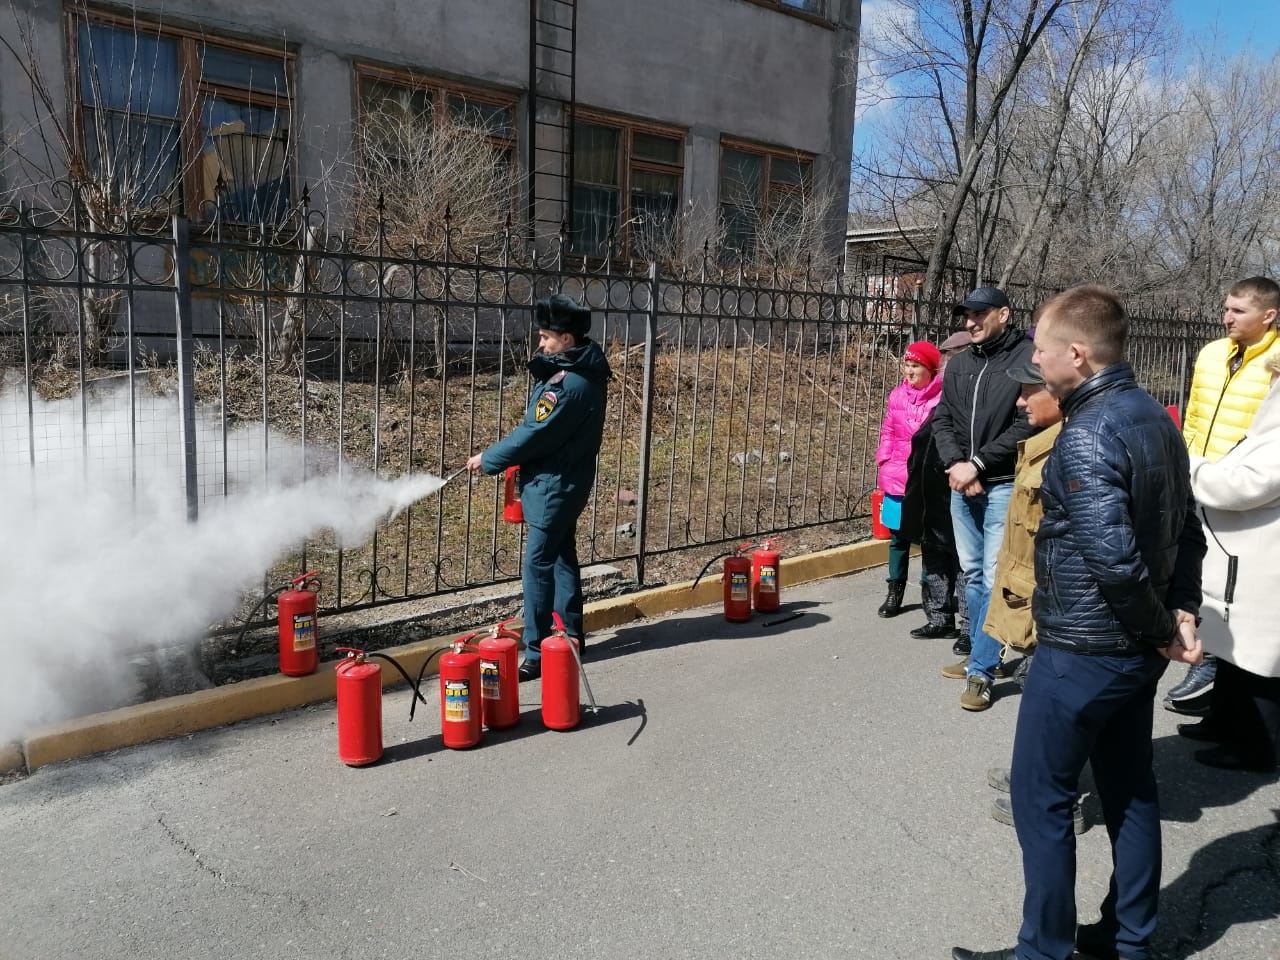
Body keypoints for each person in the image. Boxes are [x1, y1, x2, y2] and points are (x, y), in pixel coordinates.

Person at [953, 286, 1206, 960]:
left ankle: (1045, 951)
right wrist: (1181, 611)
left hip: (1084, 653)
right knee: (1128, 788)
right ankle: (1130, 942)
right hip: (1131, 652)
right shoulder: (1154, 417)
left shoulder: (1087, 435)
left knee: (1041, 801)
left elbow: (1115, 562)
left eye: (1040, 348)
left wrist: (1163, 625)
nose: (1031, 359)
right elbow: (1190, 531)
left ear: (1078, 354)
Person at [466, 294, 612, 681]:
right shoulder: (581, 374)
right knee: (562, 556)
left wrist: (490, 458)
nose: (541, 344)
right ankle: (570, 636)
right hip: (564, 482)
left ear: (567, 339)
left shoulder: (567, 385)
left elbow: (536, 432)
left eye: (546, 337)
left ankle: (536, 651)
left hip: (554, 486)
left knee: (538, 563)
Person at [1167, 276, 1280, 715]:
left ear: (1269, 315)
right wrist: (1187, 462)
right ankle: (1215, 678)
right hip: (1199, 479)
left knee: (1241, 600)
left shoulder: (1275, 361)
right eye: (1226, 308)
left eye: (1238, 311)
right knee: (1203, 582)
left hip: (1247, 494)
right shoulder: (1212, 353)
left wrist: (1220, 473)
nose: (1226, 317)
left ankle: (1218, 677)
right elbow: (1194, 415)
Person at [977, 357, 1076, 832]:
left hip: (1060, 602)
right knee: (1041, 698)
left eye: (1027, 391)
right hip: (1035, 589)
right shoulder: (1044, 442)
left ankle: (1059, 799)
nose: (1018, 401)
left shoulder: (1072, 447)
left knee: (1058, 705)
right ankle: (1032, 777)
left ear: (1057, 392)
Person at [931, 286, 1038, 711]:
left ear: (1004, 315)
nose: (970, 323)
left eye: (979, 315)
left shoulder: (1026, 359)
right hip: (963, 483)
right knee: (973, 574)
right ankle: (982, 648)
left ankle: (982, 671)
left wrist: (977, 463)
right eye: (965, 316)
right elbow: (942, 419)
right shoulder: (961, 365)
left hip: (1003, 483)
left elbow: (1026, 423)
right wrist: (959, 465)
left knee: (995, 577)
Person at [1177, 350, 1280, 773]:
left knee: (1259, 664)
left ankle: (1254, 747)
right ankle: (1222, 722)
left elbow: (1244, 486)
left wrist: (1187, 463)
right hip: (1242, 557)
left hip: (1262, 565)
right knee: (1232, 651)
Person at [898, 332, 972, 644]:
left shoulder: (970, 400)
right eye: (944, 357)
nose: (944, 363)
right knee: (933, 558)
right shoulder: (942, 400)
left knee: (963, 564)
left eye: (950, 357)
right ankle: (939, 617)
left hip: (955, 493)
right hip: (927, 494)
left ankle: (969, 628)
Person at [873, 340, 943, 619]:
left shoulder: (940, 398)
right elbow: (888, 429)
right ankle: (895, 591)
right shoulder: (897, 396)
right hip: (896, 477)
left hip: (926, 479)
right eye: (907, 365)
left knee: (928, 539)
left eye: (916, 366)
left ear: (930, 369)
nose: (909, 371)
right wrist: (884, 457)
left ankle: (931, 592)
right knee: (898, 538)